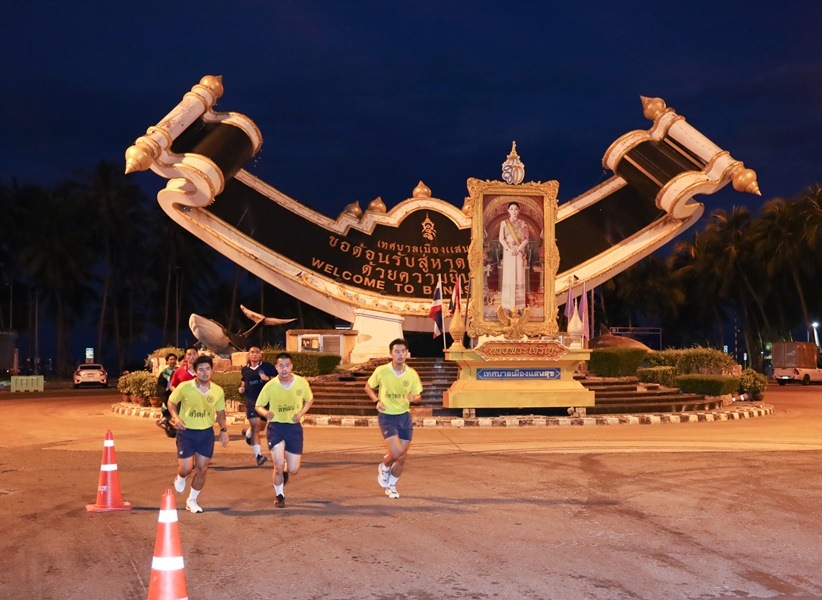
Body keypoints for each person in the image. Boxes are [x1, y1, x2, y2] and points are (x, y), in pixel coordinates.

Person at [167, 355, 229, 514]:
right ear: (195, 371)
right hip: (186, 432)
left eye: (207, 369)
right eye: (200, 369)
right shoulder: (184, 387)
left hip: (206, 433)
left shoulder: (217, 390)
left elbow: (221, 413)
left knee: (202, 468)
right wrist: (176, 417)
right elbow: (171, 402)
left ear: (212, 371)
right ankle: (181, 477)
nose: (204, 372)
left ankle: (192, 500)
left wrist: (223, 430)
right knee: (186, 468)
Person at [364, 338, 423, 499]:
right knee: (396, 453)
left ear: (407, 353)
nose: (400, 354)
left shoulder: (411, 374)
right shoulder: (382, 371)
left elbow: (418, 396)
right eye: (397, 351)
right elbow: (368, 387)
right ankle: (385, 465)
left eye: (403, 351)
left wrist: (414, 398)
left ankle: (391, 486)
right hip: (387, 416)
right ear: (391, 353)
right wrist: (376, 401)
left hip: (404, 417)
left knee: (402, 457)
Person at [255, 352, 314, 508]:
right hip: (276, 428)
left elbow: (309, 400)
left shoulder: (301, 382)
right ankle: (279, 495)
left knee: (293, 469)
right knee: (278, 465)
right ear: (276, 367)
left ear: (291, 366)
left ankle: (286, 469)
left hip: (294, 428)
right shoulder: (270, 386)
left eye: (287, 365)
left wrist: (300, 414)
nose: (284, 369)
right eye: (281, 366)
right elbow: (258, 405)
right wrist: (266, 413)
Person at [238, 345, 277, 466]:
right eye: (252, 352)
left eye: (257, 352)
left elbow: (278, 380)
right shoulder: (245, 369)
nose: (254, 354)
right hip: (251, 401)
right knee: (256, 427)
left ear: (260, 354)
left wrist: (268, 378)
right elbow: (244, 381)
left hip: (264, 403)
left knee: (261, 427)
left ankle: (248, 433)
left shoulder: (267, 367)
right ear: (248, 354)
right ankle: (258, 456)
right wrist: (241, 388)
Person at [498, 201, 529, 313]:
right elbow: (501, 238)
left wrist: (519, 248)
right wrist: (509, 249)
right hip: (509, 252)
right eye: (511, 209)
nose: (514, 211)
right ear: (508, 210)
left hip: (518, 252)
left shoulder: (523, 223)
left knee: (519, 275)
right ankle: (508, 304)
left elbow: (526, 239)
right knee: (508, 275)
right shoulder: (504, 223)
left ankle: (519, 305)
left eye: (516, 209)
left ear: (519, 210)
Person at [155, 352, 178, 437]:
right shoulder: (164, 373)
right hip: (167, 395)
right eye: (170, 359)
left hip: (178, 394)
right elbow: (160, 385)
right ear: (167, 361)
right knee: (168, 412)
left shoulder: (179, 371)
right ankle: (167, 426)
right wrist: (163, 395)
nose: (172, 361)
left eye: (174, 359)